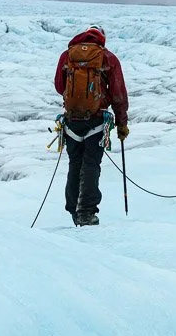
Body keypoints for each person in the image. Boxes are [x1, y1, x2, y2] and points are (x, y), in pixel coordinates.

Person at [54, 25, 129, 226]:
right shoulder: (107, 58)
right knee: (91, 165)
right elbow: (118, 93)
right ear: (102, 37)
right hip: (96, 121)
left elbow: (59, 86)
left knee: (75, 164)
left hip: (72, 121)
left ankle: (73, 209)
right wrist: (122, 124)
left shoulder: (67, 55)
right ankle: (86, 212)